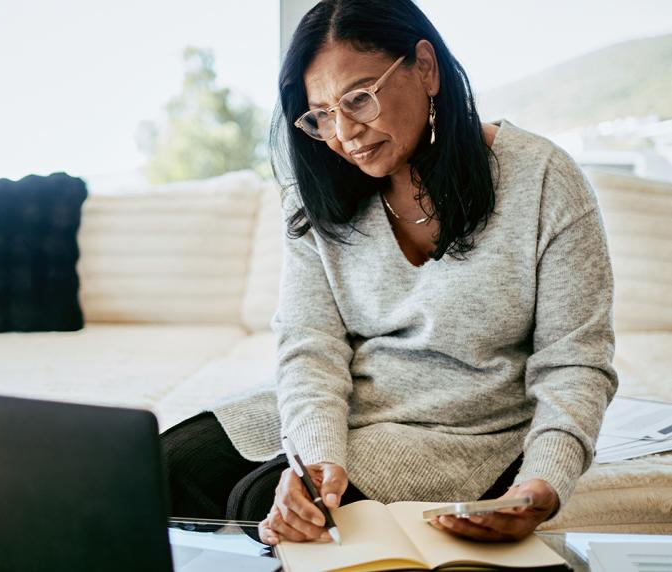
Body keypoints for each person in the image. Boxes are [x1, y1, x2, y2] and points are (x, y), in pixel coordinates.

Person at [160, 0, 617, 545]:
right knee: (163, 469)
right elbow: (310, 345)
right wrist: (317, 458)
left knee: (265, 507)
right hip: (354, 399)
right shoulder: (317, 197)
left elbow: (575, 362)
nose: (344, 132)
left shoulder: (544, 179)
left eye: (359, 98)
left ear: (425, 66)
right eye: (322, 114)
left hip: (467, 426)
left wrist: (544, 483)